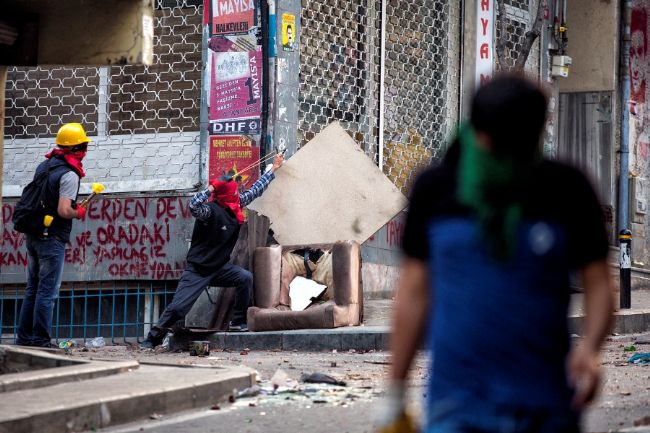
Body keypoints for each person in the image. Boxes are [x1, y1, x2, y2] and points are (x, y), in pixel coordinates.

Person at [381, 75, 615, 432]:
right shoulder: (437, 188)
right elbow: (413, 294)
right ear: (479, 135)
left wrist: (591, 348)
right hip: (456, 403)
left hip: (546, 404)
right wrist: (395, 392)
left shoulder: (567, 188)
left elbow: (599, 285)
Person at [141, 154, 284, 348]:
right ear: (224, 194)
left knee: (245, 278)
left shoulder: (235, 205)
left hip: (219, 268)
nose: (237, 193)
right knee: (178, 308)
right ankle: (152, 338)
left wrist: (274, 168)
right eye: (232, 191)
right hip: (198, 270)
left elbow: (256, 190)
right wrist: (211, 187)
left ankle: (237, 322)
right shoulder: (209, 211)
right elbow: (193, 205)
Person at [16, 123, 91, 347]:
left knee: (33, 288)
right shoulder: (69, 174)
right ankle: (40, 340)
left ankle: (24, 339)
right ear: (77, 148)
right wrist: (78, 212)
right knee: (47, 292)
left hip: (34, 234)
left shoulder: (45, 165)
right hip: (52, 238)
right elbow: (63, 210)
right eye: (84, 146)